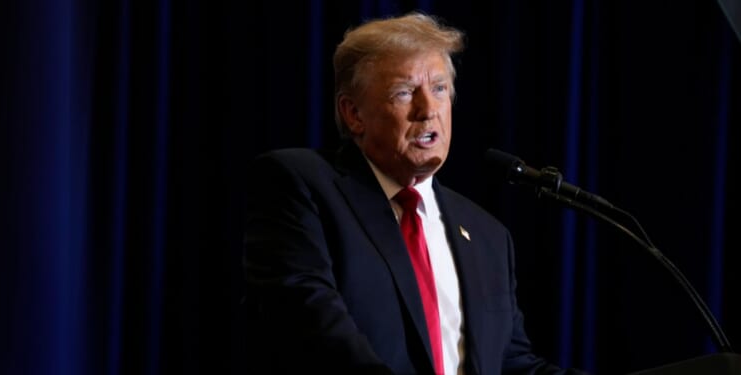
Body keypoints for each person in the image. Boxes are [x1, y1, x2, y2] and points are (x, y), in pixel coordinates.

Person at [243, 11, 588, 375]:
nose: (428, 111)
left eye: (439, 89)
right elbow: (309, 322)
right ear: (354, 113)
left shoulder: (488, 235)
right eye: (405, 93)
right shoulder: (302, 186)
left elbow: (512, 363)